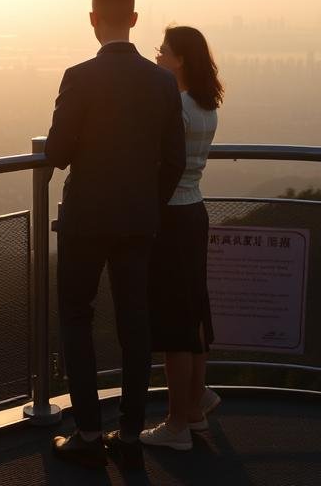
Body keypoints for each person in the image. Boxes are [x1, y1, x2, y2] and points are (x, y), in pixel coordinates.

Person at [45, 0, 186, 469]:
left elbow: (58, 153)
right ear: (133, 19)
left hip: (85, 217)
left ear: (92, 19)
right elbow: (175, 160)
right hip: (138, 220)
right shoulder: (163, 83)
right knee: (135, 325)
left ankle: (86, 429)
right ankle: (128, 432)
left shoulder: (78, 77)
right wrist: (149, 201)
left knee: (76, 316)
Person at [139, 25, 224, 451]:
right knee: (193, 312)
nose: (157, 57)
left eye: (163, 52)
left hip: (171, 216)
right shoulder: (206, 107)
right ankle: (194, 403)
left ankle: (176, 424)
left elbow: (160, 161)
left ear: (180, 60)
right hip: (195, 211)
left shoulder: (177, 107)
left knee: (174, 321)